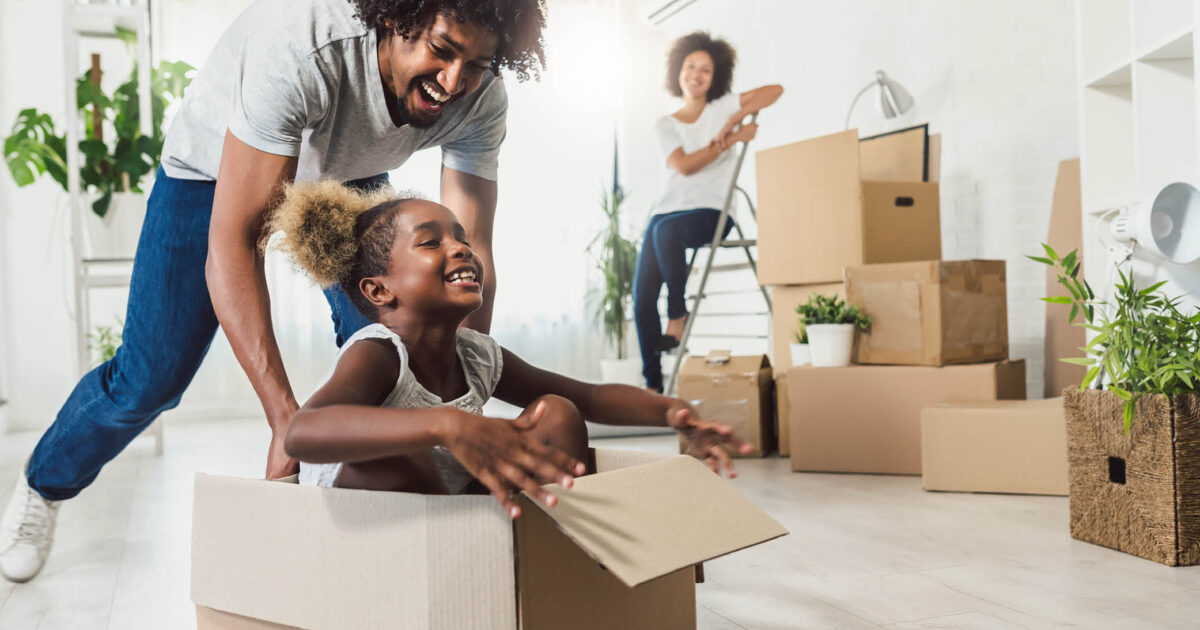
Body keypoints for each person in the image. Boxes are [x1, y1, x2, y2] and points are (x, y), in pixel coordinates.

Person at [0, 0, 546, 583]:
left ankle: (387, 539)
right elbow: (235, 243)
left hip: (349, 170)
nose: (454, 82)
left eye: (477, 63)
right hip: (211, 172)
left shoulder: (480, 96)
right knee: (149, 379)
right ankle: (44, 481)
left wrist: (461, 392)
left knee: (400, 333)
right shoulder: (303, 49)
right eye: (441, 50)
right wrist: (285, 420)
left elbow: (471, 258)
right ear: (396, 20)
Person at [272, 182, 752, 516]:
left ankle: (535, 552)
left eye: (461, 238)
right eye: (431, 243)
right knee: (407, 452)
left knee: (557, 413)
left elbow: (589, 398)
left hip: (453, 499)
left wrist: (673, 412)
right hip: (363, 509)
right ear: (380, 292)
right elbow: (303, 433)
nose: (460, 248)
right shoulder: (378, 352)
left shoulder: (476, 355)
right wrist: (447, 423)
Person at [633, 32, 782, 392]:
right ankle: (653, 386)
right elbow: (683, 166)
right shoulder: (665, 124)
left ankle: (678, 314)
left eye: (706, 69)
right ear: (678, 72)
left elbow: (774, 90)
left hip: (712, 213)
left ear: (716, 77)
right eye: (690, 67)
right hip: (667, 213)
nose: (697, 74)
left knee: (664, 231)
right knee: (641, 299)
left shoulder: (723, 106)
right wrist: (731, 140)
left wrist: (735, 118)